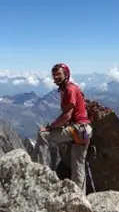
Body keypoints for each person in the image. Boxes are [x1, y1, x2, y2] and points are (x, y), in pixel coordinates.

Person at [32, 63, 93, 191]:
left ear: (66, 75)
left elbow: (67, 116)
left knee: (43, 136)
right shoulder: (70, 88)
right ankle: (79, 196)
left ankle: (37, 173)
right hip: (84, 130)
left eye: (58, 74)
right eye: (54, 75)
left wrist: (50, 127)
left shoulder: (69, 90)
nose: (55, 77)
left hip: (78, 129)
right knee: (78, 165)